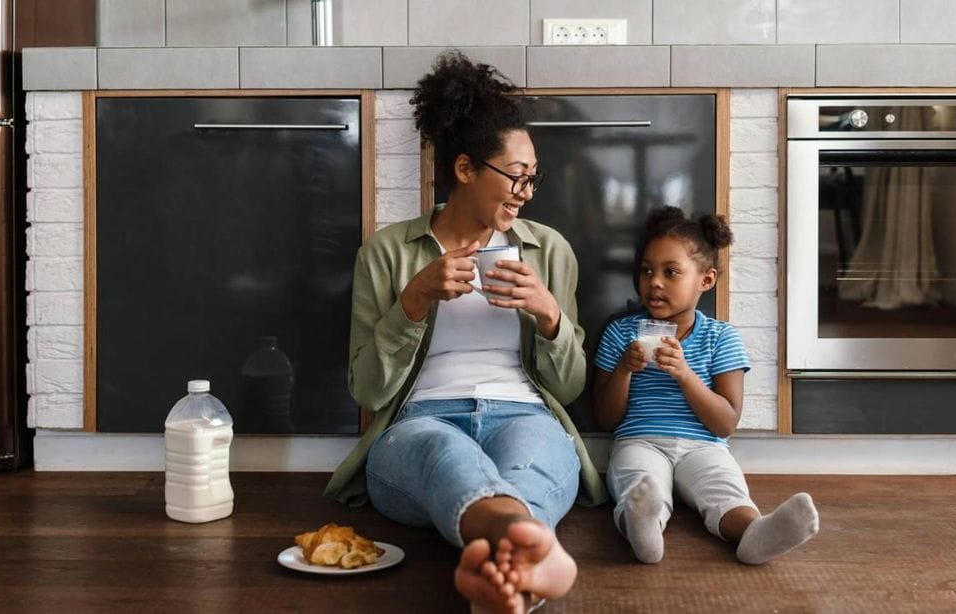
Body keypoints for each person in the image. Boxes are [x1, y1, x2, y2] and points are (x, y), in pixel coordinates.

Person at [324, 51, 606, 613]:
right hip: (418, 420)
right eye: (516, 176)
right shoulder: (388, 252)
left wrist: (549, 316)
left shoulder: (549, 251)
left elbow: (569, 389)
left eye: (533, 178)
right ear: (464, 169)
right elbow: (368, 391)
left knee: (535, 459)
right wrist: (413, 300)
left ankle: (498, 571)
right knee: (444, 454)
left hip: (524, 411)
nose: (527, 191)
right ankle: (524, 554)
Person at [592, 206, 819, 565]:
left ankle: (753, 533)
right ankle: (643, 528)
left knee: (724, 488)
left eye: (671, 273)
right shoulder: (621, 333)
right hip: (641, 439)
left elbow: (725, 422)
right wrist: (623, 370)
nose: (654, 282)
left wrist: (684, 373)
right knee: (641, 483)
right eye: (647, 271)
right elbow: (605, 418)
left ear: (706, 280)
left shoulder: (721, 337)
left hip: (704, 445)